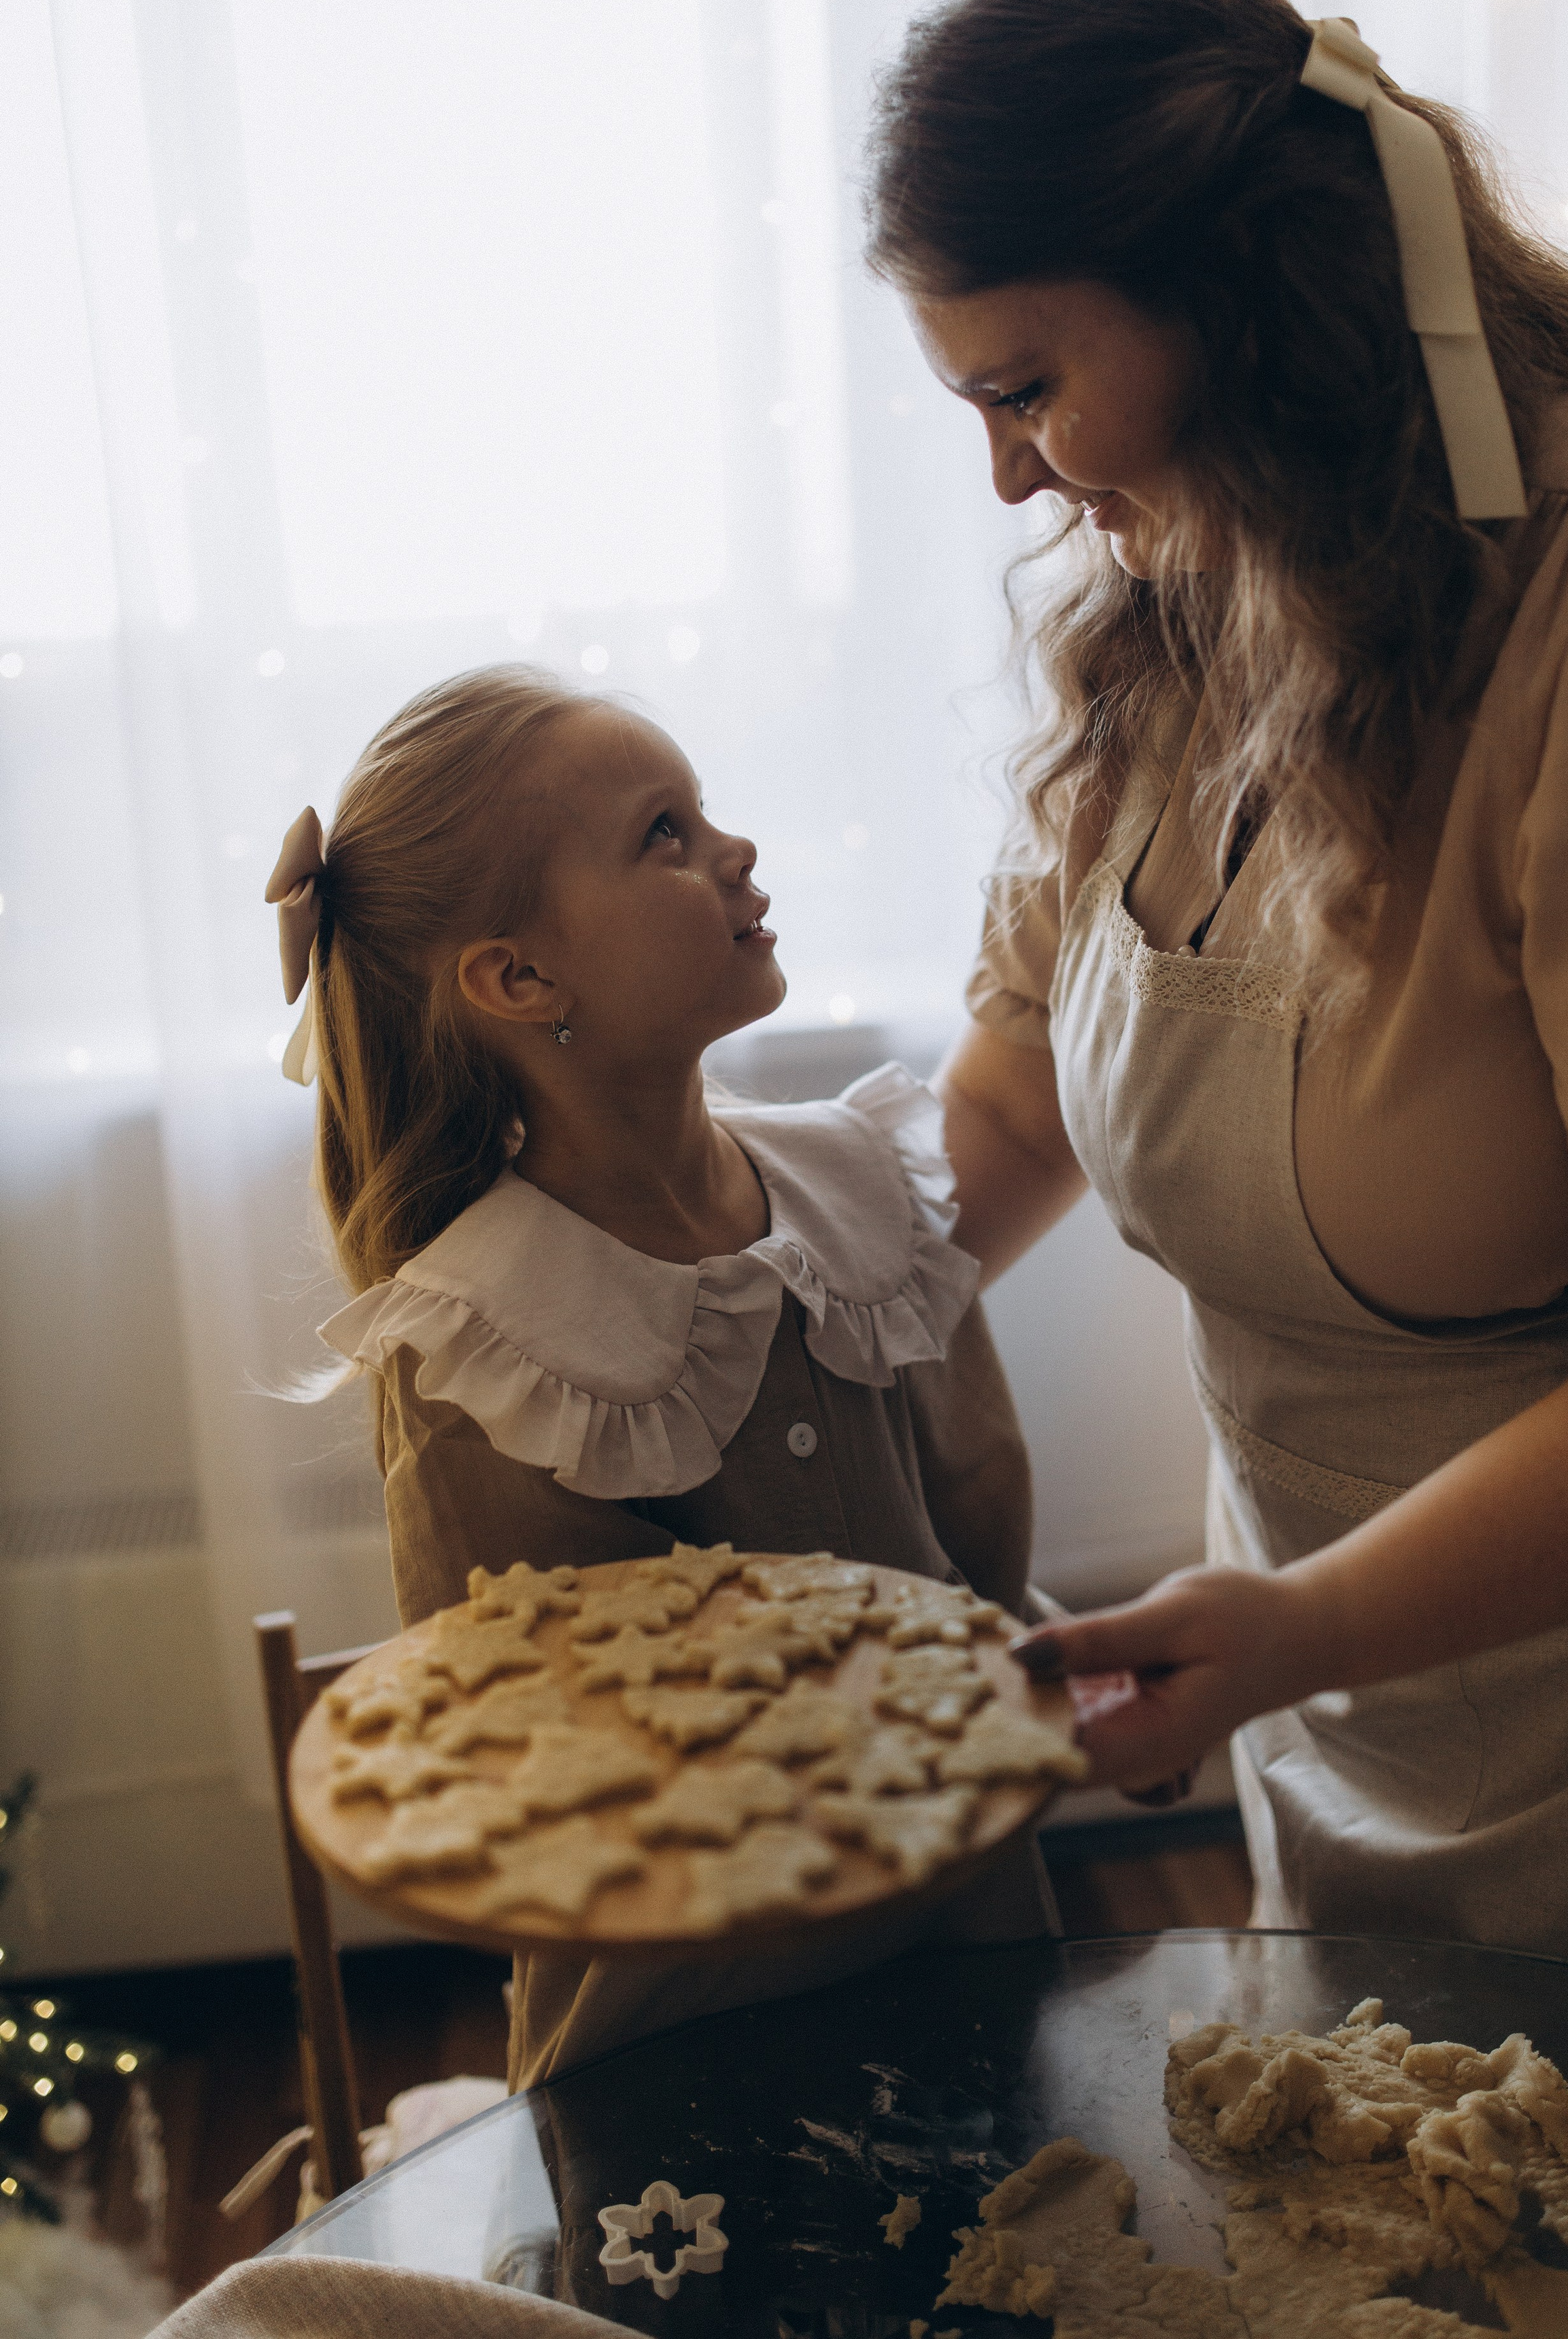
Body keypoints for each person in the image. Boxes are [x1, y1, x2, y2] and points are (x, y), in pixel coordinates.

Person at [866, 0, 1568, 1993]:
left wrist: (1313, 1626)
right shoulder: (1164, 596)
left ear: (1241, 305)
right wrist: (722, 1329)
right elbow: (1014, 1092)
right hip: (1311, 1673)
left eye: (1025, 385)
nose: (1007, 471)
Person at [265, 666, 1055, 2085]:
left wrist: (1050, 1673)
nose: (732, 852)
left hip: (974, 1948)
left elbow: (976, 1518)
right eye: (664, 836)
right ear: (519, 978)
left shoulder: (862, 1184)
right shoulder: (486, 1341)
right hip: (686, 2047)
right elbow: (554, 1746)